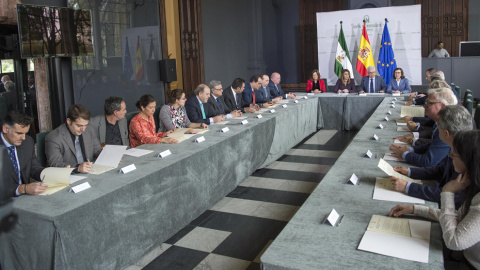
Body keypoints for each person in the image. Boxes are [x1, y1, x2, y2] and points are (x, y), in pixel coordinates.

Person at [389, 130, 480, 270]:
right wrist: (415, 209)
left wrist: (448, 192)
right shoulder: (473, 184)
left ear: (468, 159)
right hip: (462, 255)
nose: (450, 156)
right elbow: (458, 217)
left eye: (454, 154)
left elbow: (454, 241)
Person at [390, 105, 472, 208]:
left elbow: (451, 196)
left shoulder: (465, 156)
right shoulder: (458, 145)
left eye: (438, 126)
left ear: (446, 133)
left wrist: (407, 187)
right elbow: (442, 170)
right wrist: (409, 171)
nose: (436, 129)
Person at [389, 88, 456, 167]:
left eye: (429, 103)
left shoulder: (447, 127)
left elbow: (428, 161)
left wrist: (404, 154)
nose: (424, 106)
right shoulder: (441, 121)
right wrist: (410, 149)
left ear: (442, 106)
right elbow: (432, 145)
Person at [0, 111, 46, 196]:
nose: (23, 138)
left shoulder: (27, 142)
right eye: (19, 133)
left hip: (25, 198)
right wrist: (23, 188)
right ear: (5, 129)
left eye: (25, 133)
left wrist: (53, 173)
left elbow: (34, 168)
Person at [45, 104, 102, 173]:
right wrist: (77, 169)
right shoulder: (54, 138)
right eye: (79, 125)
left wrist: (110, 156)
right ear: (69, 121)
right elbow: (56, 164)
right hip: (69, 175)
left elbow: (97, 151)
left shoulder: (89, 129)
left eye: (85, 125)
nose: (83, 129)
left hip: (90, 171)